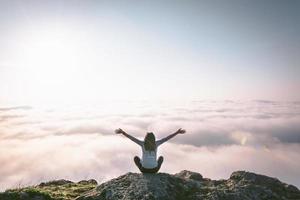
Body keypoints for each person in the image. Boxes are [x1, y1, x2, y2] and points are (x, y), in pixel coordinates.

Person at [115, 128, 186, 173]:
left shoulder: (142, 144)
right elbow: (167, 138)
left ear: (146, 138)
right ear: (154, 138)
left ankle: (145, 166)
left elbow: (132, 138)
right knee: (161, 158)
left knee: (136, 158)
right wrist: (177, 132)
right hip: (154, 170)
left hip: (144, 170)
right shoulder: (156, 144)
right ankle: (151, 165)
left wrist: (123, 132)